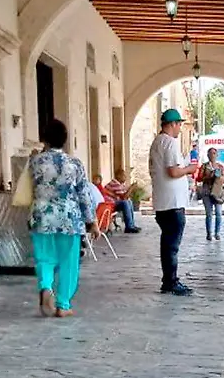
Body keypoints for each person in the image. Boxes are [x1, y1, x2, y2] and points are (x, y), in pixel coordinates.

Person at [28, 119, 98, 318]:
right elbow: (84, 194)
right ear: (65, 140)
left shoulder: (36, 162)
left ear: (44, 139)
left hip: (42, 217)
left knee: (44, 258)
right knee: (69, 262)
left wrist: (36, 155)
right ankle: (63, 304)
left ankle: (46, 286)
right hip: (69, 219)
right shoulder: (74, 164)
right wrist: (91, 221)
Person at [149, 108, 194, 296]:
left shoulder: (157, 142)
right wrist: (189, 169)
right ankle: (171, 281)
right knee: (172, 246)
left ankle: (168, 279)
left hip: (162, 201)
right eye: (179, 124)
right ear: (172, 124)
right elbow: (173, 171)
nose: (180, 128)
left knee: (167, 243)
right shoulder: (169, 143)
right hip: (172, 203)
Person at [197, 147, 224, 241]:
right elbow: (199, 178)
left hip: (217, 192)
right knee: (209, 214)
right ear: (207, 155)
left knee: (218, 213)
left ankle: (217, 233)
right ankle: (209, 233)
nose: (212, 155)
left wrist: (219, 177)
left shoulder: (220, 167)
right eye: (210, 153)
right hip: (207, 192)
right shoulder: (204, 166)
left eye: (214, 153)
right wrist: (208, 176)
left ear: (217, 155)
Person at [104, 168, 140, 233]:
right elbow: (124, 197)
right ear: (118, 176)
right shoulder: (115, 183)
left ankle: (131, 225)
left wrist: (130, 189)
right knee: (125, 203)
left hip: (113, 203)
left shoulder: (120, 184)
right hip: (108, 205)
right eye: (124, 175)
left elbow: (126, 196)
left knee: (129, 201)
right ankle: (129, 227)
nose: (125, 177)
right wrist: (131, 188)